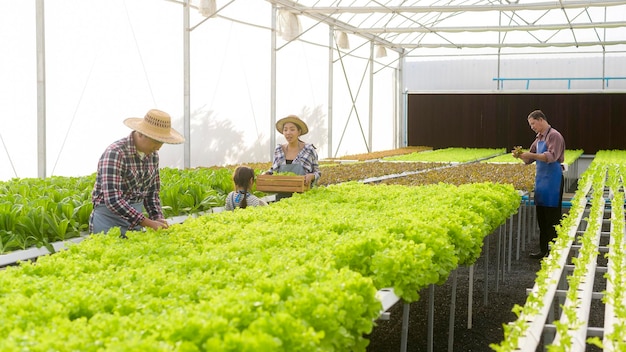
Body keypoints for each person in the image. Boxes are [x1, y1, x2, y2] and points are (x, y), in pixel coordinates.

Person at [89, 109, 185, 237]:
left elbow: (152, 194)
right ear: (140, 134)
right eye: (156, 141)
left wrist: (157, 218)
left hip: (135, 223)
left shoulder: (153, 156)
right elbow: (113, 200)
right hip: (108, 221)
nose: (158, 147)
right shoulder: (116, 153)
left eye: (162, 143)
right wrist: (148, 223)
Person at [513, 109, 565, 259]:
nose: (532, 127)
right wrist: (521, 156)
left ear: (541, 120)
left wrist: (531, 155)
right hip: (542, 181)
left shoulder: (554, 135)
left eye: (533, 124)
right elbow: (529, 160)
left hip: (553, 182)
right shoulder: (538, 138)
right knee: (542, 219)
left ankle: (554, 252)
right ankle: (543, 250)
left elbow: (551, 156)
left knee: (553, 219)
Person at [266, 114, 321, 200]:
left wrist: (312, 176)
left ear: (299, 132)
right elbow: (274, 170)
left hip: (303, 197)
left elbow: (317, 172)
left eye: (292, 129)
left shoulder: (309, 150)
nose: (288, 133)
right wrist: (266, 174)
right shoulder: (279, 150)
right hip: (281, 197)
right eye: (285, 130)